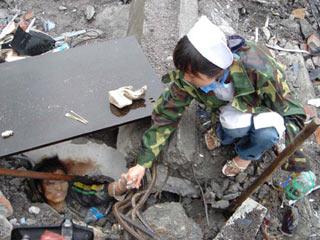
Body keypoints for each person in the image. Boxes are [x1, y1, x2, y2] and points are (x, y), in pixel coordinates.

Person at [123, 16, 311, 189]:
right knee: (231, 126)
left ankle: (245, 155)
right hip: (231, 109)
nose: (185, 79)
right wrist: (142, 163)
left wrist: (293, 157)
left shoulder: (260, 71)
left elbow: (291, 113)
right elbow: (166, 115)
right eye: (184, 72)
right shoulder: (189, 76)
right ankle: (222, 133)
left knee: (267, 135)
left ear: (217, 70)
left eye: (193, 75)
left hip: (262, 111)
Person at [27, 156, 127, 219]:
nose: (58, 188)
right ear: (40, 188)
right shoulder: (35, 211)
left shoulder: (75, 192)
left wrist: (119, 186)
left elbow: (94, 191)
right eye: (51, 183)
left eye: (62, 181)